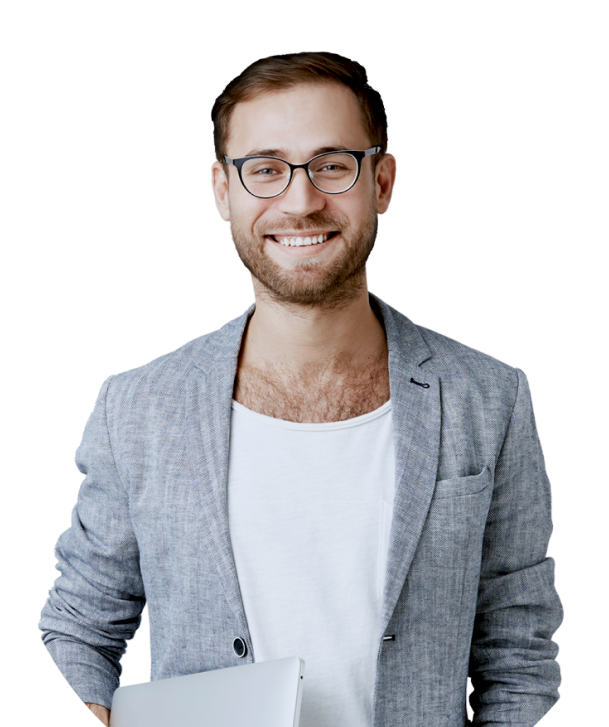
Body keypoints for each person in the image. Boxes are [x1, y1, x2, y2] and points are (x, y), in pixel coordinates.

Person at [38, 51, 563, 726]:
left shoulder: (489, 398)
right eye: (265, 169)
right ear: (222, 191)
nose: (300, 200)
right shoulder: (138, 407)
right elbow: (78, 626)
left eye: (331, 165)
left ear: (382, 181)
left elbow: (518, 653)